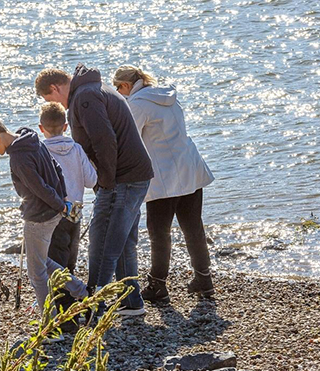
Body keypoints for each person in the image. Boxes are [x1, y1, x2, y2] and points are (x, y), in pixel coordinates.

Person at [35, 64, 154, 317]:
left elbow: (104, 140)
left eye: (50, 99)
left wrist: (106, 184)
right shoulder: (93, 88)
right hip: (135, 174)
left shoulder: (85, 97)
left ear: (55, 88)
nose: (59, 107)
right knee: (122, 241)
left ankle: (94, 306)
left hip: (122, 178)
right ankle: (131, 301)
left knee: (103, 243)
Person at [113, 65, 215, 302]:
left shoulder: (137, 104)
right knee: (193, 228)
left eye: (118, 89)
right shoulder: (167, 96)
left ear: (125, 85)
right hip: (189, 166)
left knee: (159, 233)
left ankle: (157, 284)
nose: (118, 94)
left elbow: (129, 141)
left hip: (163, 175)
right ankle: (204, 279)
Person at [0, 115, 87, 318]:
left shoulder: (19, 158)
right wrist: (63, 198)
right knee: (40, 260)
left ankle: (50, 323)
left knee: (36, 275)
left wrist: (61, 205)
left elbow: (39, 188)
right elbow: (56, 168)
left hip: (39, 218)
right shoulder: (30, 137)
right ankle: (82, 291)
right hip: (52, 213)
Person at [38, 102, 97, 274]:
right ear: (65, 126)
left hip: (53, 209)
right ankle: (70, 283)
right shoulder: (77, 149)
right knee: (71, 253)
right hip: (75, 209)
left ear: (41, 128)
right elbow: (91, 181)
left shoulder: (41, 151)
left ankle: (59, 287)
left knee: (55, 255)